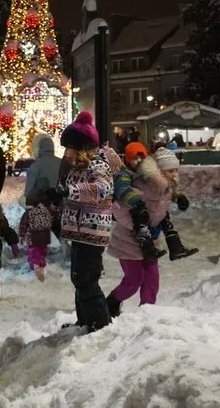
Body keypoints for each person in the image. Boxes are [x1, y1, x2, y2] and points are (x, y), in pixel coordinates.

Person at [58, 112, 122, 332]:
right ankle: (85, 320)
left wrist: (71, 190)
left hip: (93, 231)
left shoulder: (98, 166)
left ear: (82, 148)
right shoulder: (78, 167)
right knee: (78, 278)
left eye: (69, 148)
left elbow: (102, 189)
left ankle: (99, 325)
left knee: (86, 279)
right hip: (80, 231)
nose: (66, 153)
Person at [106, 148, 186, 317]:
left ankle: (147, 313)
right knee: (134, 280)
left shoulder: (166, 188)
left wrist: (177, 199)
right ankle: (111, 303)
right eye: (171, 170)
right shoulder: (140, 186)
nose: (175, 174)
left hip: (150, 243)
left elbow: (159, 211)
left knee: (152, 280)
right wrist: (139, 229)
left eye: (176, 170)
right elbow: (118, 210)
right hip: (128, 241)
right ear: (159, 171)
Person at [18, 188, 54, 282]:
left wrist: (21, 235)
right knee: (42, 251)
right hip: (45, 236)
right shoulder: (47, 211)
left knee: (33, 253)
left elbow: (23, 225)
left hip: (33, 237)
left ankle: (35, 266)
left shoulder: (29, 213)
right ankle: (41, 266)